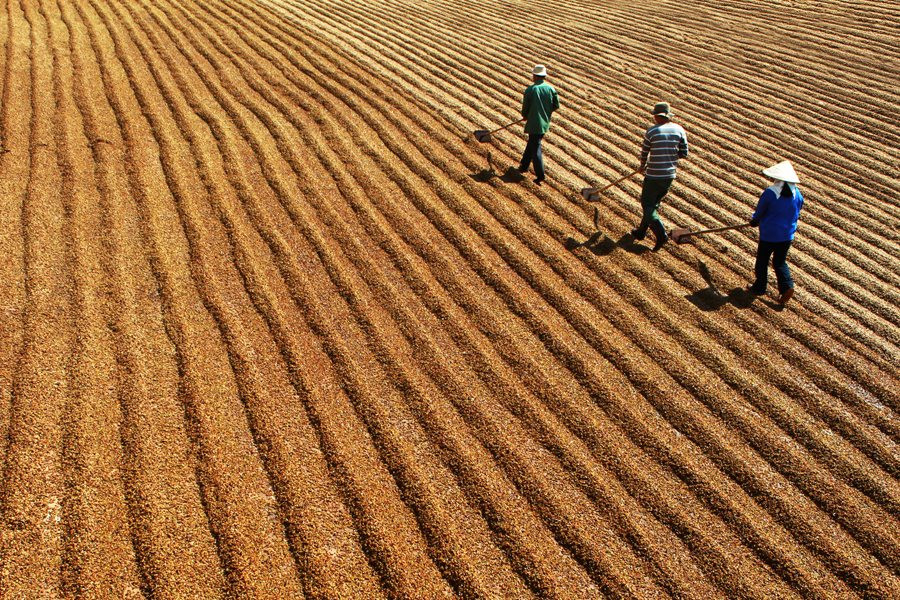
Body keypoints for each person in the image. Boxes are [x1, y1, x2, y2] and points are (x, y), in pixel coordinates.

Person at [633, 102, 689, 251]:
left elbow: (645, 152)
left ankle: (661, 235)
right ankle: (640, 232)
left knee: (647, 205)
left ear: (657, 116)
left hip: (653, 175)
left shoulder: (652, 132)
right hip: (669, 175)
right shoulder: (679, 129)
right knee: (654, 204)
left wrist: (642, 165)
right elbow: (684, 152)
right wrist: (669, 158)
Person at [747, 160, 804, 304]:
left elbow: (760, 211)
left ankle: (759, 287)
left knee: (762, 260)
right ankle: (787, 288)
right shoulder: (797, 194)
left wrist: (754, 220)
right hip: (787, 235)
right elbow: (798, 210)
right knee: (779, 262)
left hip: (769, 234)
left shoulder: (770, 193)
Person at [517, 65, 559, 185]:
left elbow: (525, 108)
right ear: (544, 76)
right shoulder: (551, 89)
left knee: (536, 148)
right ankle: (524, 166)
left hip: (534, 123)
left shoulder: (531, 89)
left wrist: (525, 115)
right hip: (544, 122)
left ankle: (540, 175)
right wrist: (545, 112)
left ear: (535, 76)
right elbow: (556, 105)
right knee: (532, 142)